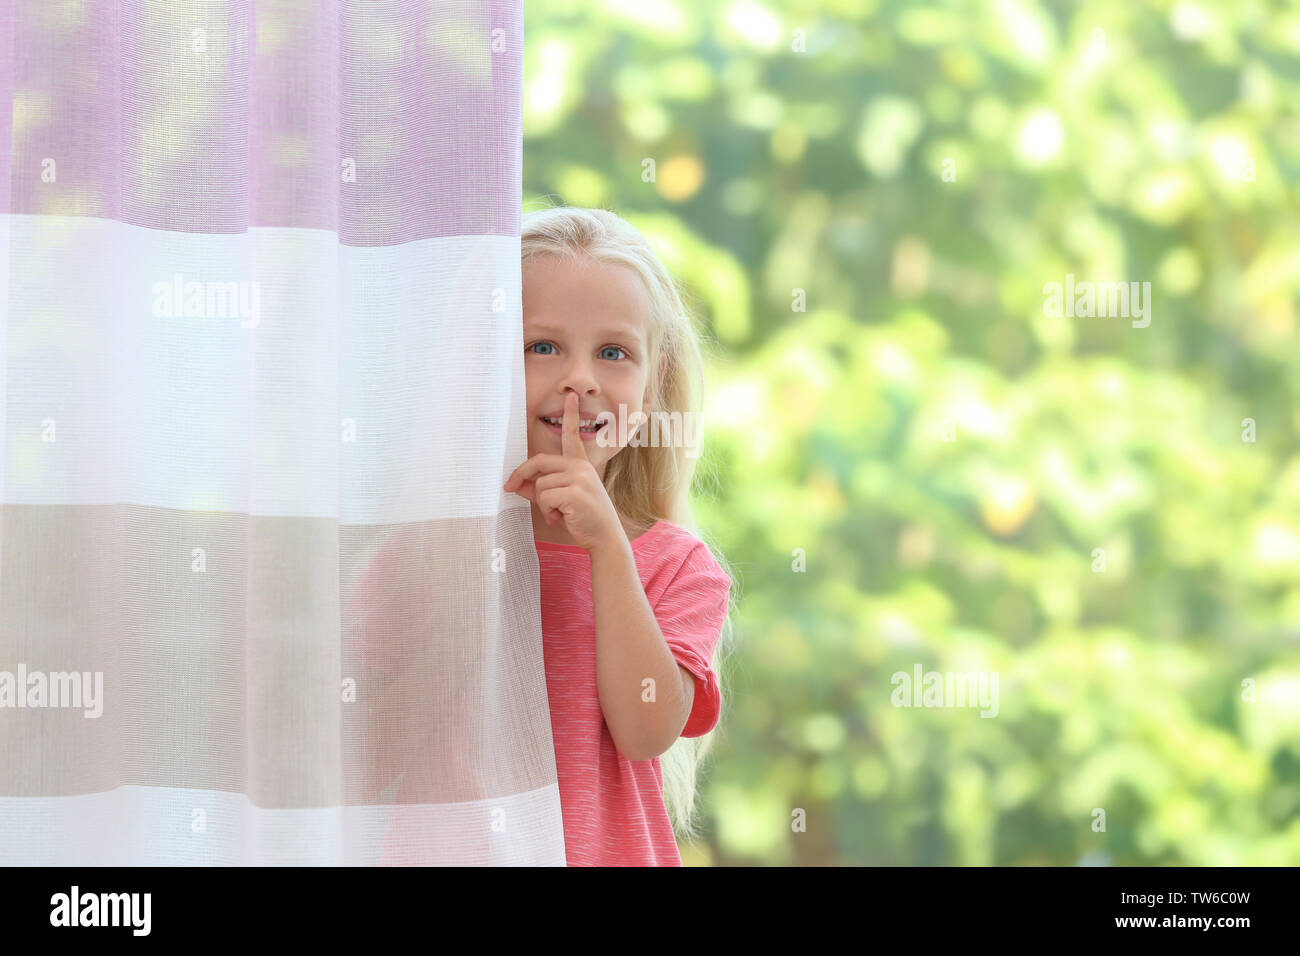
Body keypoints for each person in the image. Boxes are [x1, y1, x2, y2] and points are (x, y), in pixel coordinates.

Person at [504, 205, 738, 866]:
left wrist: (606, 547)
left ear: (654, 383)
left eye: (613, 353)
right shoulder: (443, 543)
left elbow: (644, 729)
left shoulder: (675, 565)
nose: (580, 378)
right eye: (542, 346)